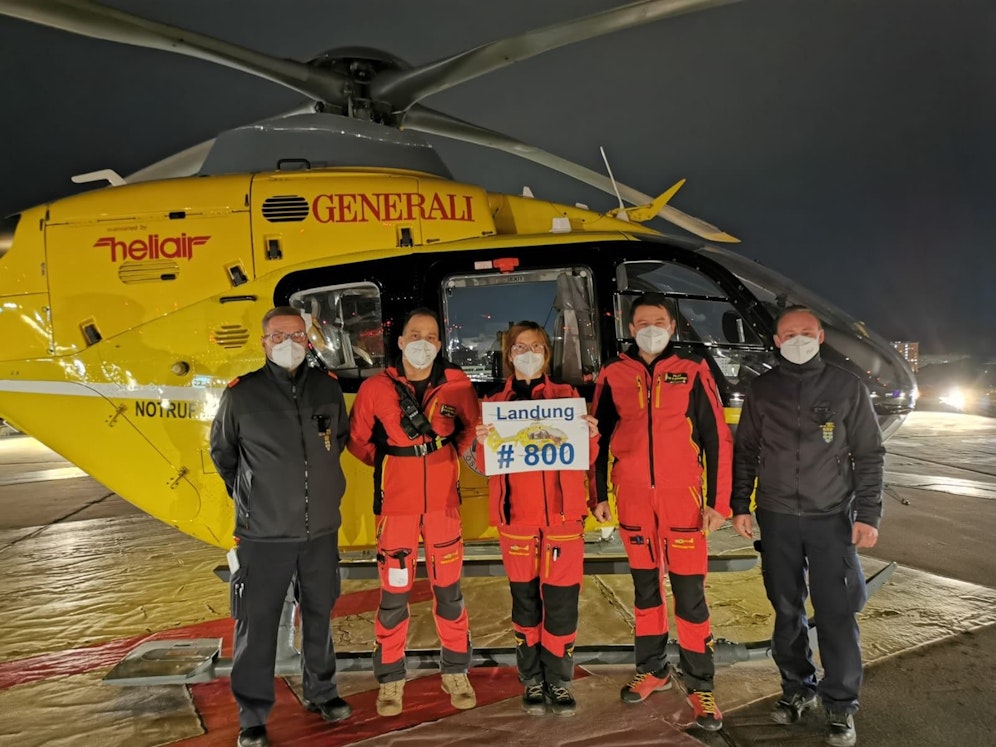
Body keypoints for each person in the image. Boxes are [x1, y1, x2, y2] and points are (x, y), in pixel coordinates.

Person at [731, 305, 884, 747]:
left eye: (806, 332)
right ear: (776, 342)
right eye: (788, 334)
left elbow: (869, 455)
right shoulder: (762, 390)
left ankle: (840, 705)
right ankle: (797, 689)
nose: (797, 339)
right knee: (786, 609)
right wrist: (741, 505)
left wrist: (869, 515)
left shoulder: (846, 386)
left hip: (831, 519)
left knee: (836, 614)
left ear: (820, 337)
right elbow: (746, 452)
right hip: (776, 518)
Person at [210, 306, 352, 747]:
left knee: (318, 615)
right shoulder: (241, 395)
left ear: (308, 338)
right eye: (277, 336)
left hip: (320, 531)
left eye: (296, 335)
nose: (287, 343)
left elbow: (338, 443)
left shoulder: (327, 389)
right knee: (256, 624)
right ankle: (252, 715)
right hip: (262, 536)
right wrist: (255, 499)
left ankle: (322, 692)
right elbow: (224, 454)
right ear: (263, 342)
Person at [590, 292, 732, 731]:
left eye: (659, 321)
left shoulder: (692, 373)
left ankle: (700, 684)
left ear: (672, 327)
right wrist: (597, 495)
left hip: (682, 501)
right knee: (646, 591)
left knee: (689, 595)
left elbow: (717, 439)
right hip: (632, 500)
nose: (650, 329)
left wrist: (718, 502)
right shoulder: (613, 375)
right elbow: (595, 439)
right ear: (631, 329)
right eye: (641, 323)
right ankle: (652, 669)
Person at [347, 307, 480, 717]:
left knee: (450, 594)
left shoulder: (457, 385)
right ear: (401, 342)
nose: (424, 342)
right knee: (393, 597)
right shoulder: (376, 388)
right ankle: (390, 679)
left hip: (443, 507)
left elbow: (469, 431)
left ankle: (455, 671)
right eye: (415, 334)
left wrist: (440, 461)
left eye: (432, 335)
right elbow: (358, 441)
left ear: (440, 343)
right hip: (397, 509)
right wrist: (397, 464)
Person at [474, 321, 600, 717]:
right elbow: (482, 466)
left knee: (562, 607)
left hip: (563, 521)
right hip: (517, 521)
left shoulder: (569, 398)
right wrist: (479, 443)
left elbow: (588, 460)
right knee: (525, 605)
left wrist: (591, 436)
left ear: (547, 353)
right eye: (519, 347)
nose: (528, 354)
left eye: (536, 347)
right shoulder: (494, 403)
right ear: (509, 355)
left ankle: (559, 681)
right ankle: (531, 679)